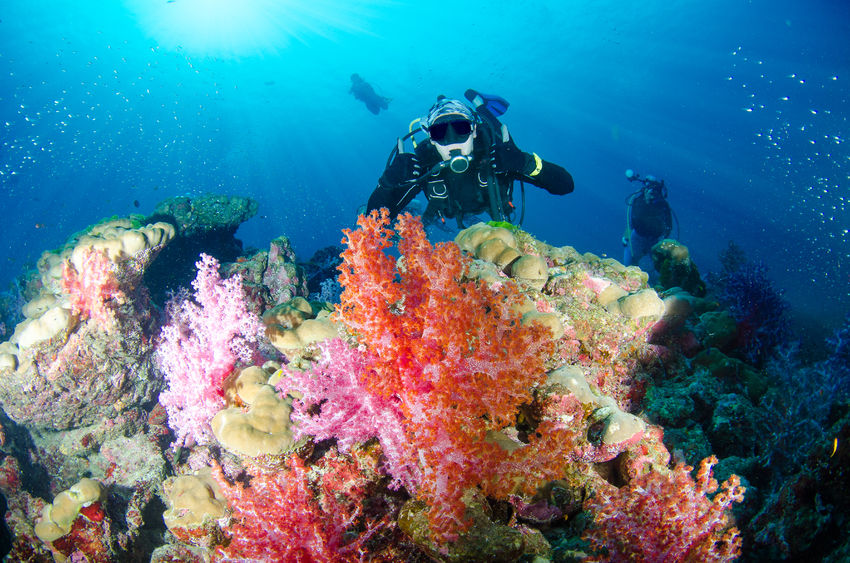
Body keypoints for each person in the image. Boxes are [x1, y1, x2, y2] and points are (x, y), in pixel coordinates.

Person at [366, 90, 574, 232]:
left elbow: (565, 185)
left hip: (488, 204)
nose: (452, 141)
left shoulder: (496, 153)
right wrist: (388, 183)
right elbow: (373, 222)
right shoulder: (424, 163)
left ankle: (480, 105)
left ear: (474, 131)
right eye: (440, 133)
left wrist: (525, 162)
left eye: (461, 129)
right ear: (431, 139)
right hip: (451, 209)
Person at [621, 169, 675, 267]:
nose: (651, 194)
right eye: (649, 190)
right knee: (628, 264)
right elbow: (631, 221)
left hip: (655, 240)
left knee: (660, 267)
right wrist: (626, 235)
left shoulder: (662, 205)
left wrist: (663, 242)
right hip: (637, 236)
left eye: (654, 191)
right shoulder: (638, 201)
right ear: (645, 189)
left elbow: (668, 226)